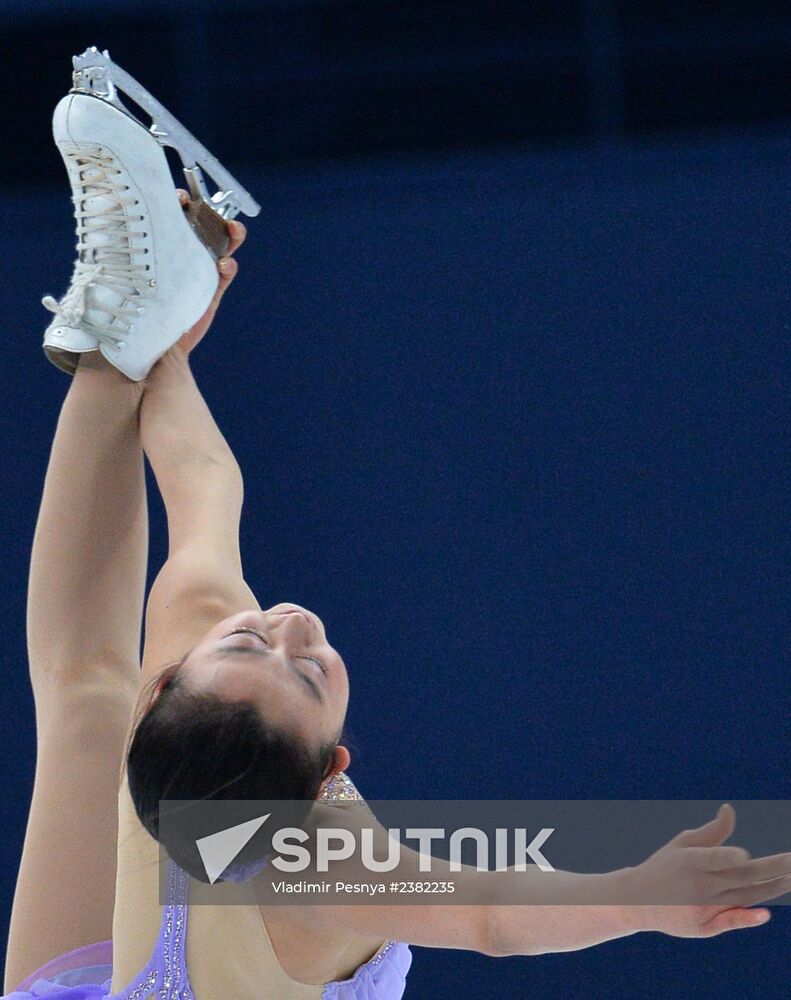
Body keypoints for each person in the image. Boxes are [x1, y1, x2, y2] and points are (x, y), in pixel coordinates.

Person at [3, 195, 786, 1000]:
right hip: (177, 947)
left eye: (262, 648)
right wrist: (151, 320)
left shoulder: (317, 862)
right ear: (328, 768)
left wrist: (635, 900)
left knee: (86, 693)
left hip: (187, 950)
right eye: (303, 670)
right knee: (92, 699)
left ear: (324, 783)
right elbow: (203, 481)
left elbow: (493, 915)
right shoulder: (206, 689)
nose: (291, 628)